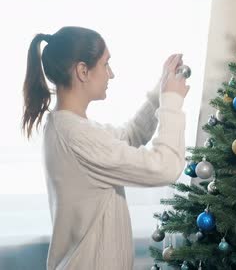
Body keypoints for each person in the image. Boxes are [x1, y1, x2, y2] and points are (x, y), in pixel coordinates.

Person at [21, 26, 190, 269]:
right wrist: (172, 102)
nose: (111, 74)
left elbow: (130, 135)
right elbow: (165, 167)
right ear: (83, 71)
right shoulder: (77, 136)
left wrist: (159, 93)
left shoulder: (69, 126)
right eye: (106, 64)